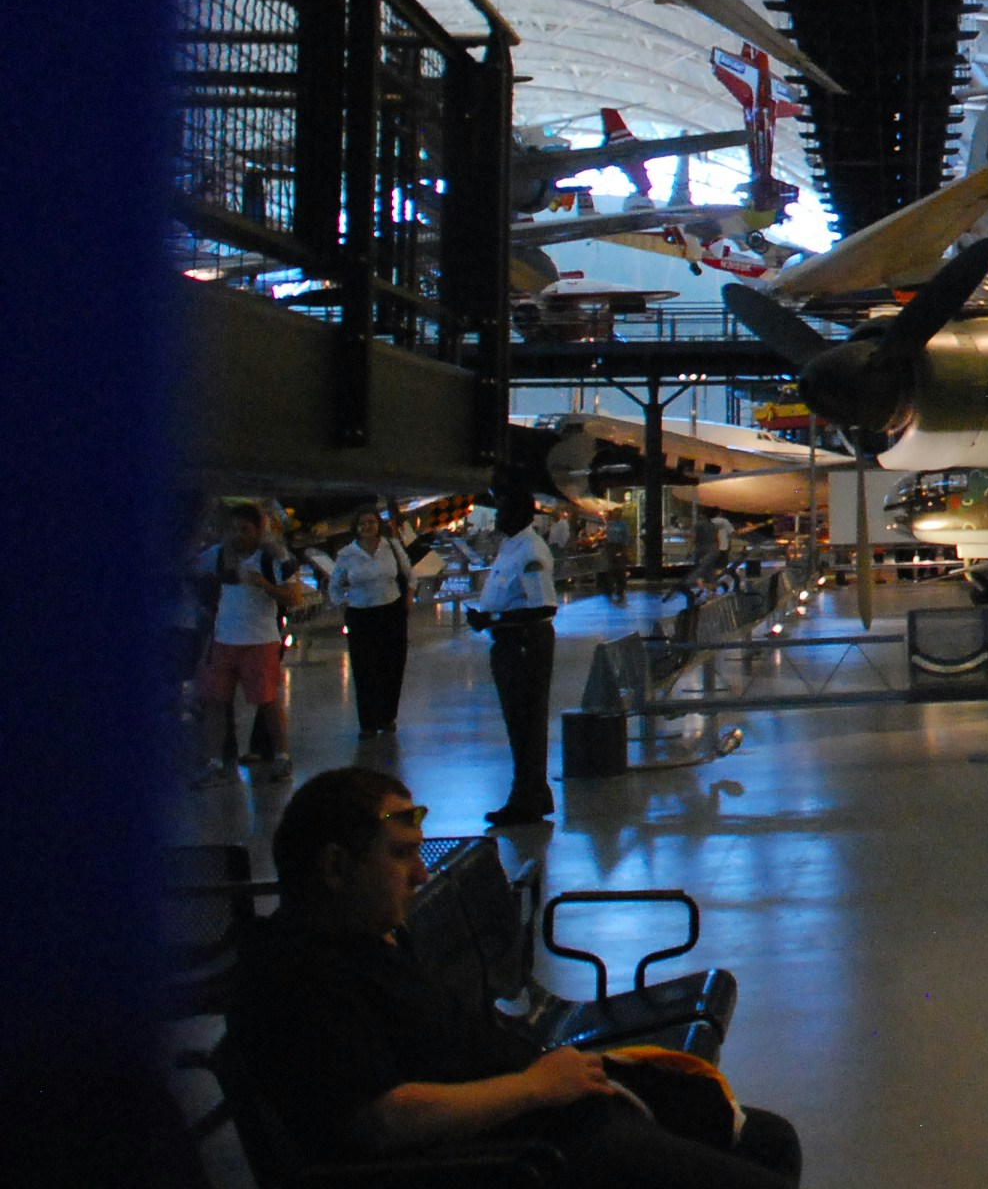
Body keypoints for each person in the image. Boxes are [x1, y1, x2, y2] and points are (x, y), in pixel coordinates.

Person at [225, 767, 802, 1185]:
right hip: (513, 1157)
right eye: (400, 856)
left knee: (768, 1140)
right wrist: (535, 1088)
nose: (421, 875)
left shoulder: (364, 941)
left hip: (540, 1120)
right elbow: (383, 1121)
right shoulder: (300, 978)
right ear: (335, 867)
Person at [471, 498, 559, 825]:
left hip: (525, 643)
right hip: (508, 640)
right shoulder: (511, 547)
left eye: (502, 510)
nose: (496, 516)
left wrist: (492, 616)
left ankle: (525, 798)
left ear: (519, 514)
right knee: (518, 723)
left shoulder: (530, 551)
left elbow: (544, 607)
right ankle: (533, 794)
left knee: (527, 722)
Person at [196, 503, 292, 782]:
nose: (238, 535)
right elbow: (191, 565)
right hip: (224, 640)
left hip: (260, 641)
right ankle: (215, 762)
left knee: (267, 701)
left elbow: (293, 596)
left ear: (258, 531)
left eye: (245, 529)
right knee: (215, 701)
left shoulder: (269, 559)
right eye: (233, 529)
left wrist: (265, 584)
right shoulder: (217, 556)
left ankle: (282, 756)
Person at [331, 504, 413, 739]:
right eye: (363, 523)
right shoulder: (347, 554)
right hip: (361, 614)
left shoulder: (392, 547)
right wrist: (342, 604)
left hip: (391, 611)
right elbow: (334, 584)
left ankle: (387, 716)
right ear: (356, 528)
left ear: (379, 525)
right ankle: (368, 722)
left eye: (372, 522)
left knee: (392, 665)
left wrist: (407, 599)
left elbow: (408, 574)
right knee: (364, 667)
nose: (368, 527)